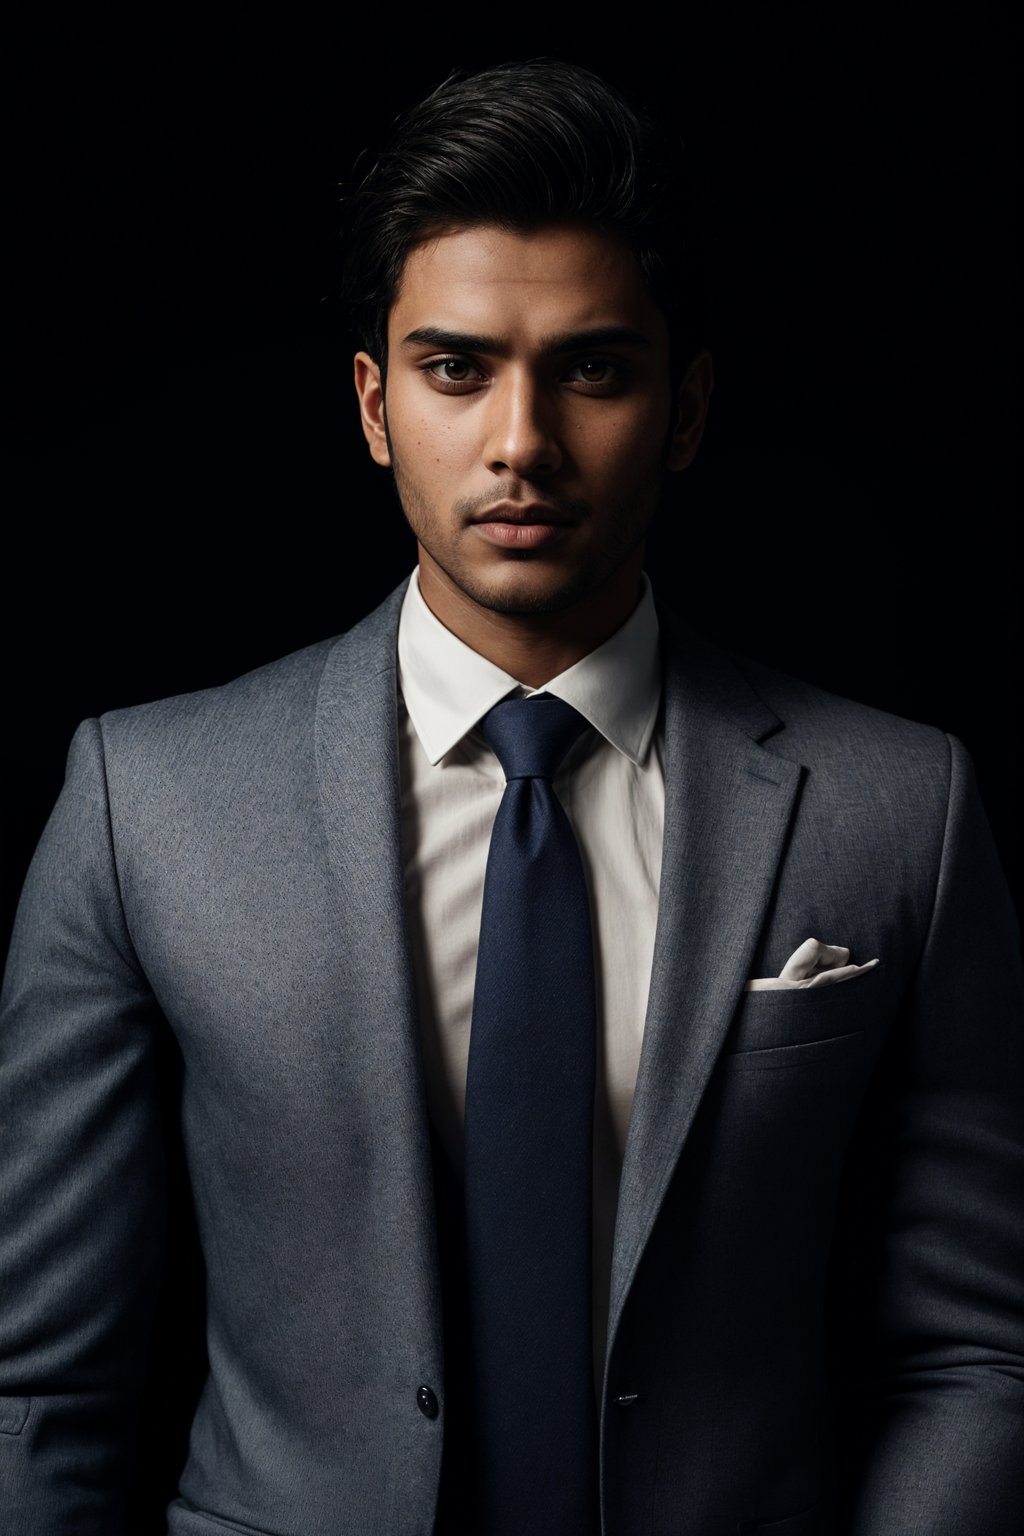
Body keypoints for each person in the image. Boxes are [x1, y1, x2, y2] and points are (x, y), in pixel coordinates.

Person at [1, 56, 1021, 1536]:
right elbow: (37, 1385)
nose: (522, 443)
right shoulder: (141, 804)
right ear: (372, 404)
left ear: (685, 406)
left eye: (593, 368)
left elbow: (976, 1348)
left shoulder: (898, 806)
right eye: (456, 369)